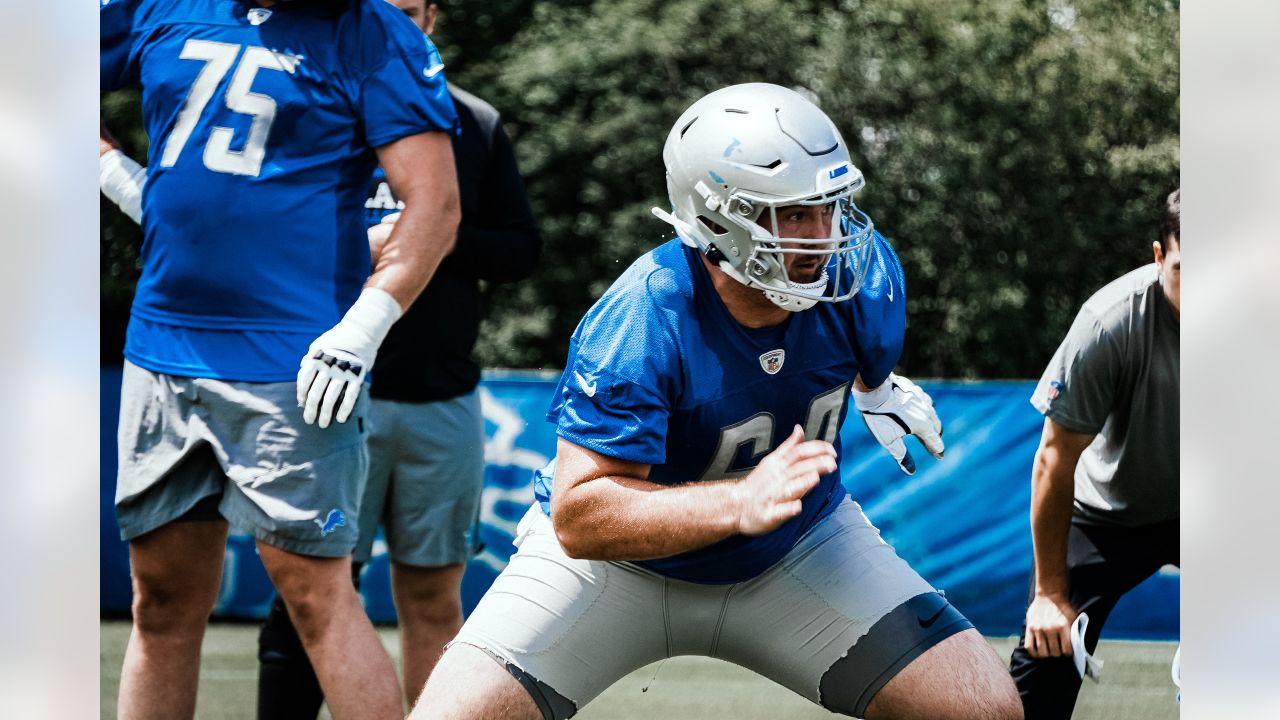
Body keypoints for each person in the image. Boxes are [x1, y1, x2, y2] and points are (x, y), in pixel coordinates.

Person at [410, 83, 1022, 720]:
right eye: (791, 215)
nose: (823, 237)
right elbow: (579, 516)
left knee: (983, 710)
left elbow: (856, 355)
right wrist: (736, 501)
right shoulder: (645, 314)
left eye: (830, 207)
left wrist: (876, 388)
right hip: (614, 570)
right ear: (715, 221)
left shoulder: (857, 282)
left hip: (797, 547)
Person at [99, 1, 461, 718]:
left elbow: (436, 204)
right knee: (161, 600)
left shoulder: (369, 30)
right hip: (161, 347)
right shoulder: (163, 5)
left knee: (315, 594)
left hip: (290, 359)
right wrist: (116, 174)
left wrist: (363, 328)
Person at [253, 1, 542, 715]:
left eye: (412, 12)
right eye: (385, 10)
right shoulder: (309, 104)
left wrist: (430, 231)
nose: (399, 26)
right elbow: (261, 229)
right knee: (308, 592)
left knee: (435, 596)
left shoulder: (473, 122)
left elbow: (522, 250)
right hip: (324, 395)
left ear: (436, 18)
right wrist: (361, 236)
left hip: (440, 398)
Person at [1007, 188, 1180, 718]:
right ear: (1157, 256)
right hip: (1108, 514)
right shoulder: (1109, 322)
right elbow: (1055, 458)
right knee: (1050, 649)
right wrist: (1050, 596)